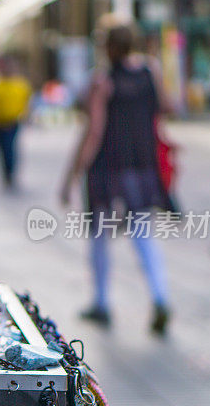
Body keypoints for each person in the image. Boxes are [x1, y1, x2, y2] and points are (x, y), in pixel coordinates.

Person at [60, 23, 173, 335]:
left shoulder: (103, 81)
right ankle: (161, 296)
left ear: (108, 47)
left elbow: (94, 132)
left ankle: (101, 303)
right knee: (143, 234)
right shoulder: (150, 72)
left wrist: (70, 177)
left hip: (107, 171)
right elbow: (167, 107)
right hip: (142, 167)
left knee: (99, 236)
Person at [0, 56, 32, 188]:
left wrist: (26, 116)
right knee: (1, 149)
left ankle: (10, 172)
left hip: (13, 122)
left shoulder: (20, 85)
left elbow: (26, 102)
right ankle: (5, 172)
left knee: (10, 148)